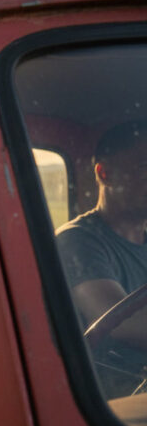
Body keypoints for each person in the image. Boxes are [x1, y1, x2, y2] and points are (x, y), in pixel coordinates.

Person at [56, 119, 147, 397]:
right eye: (145, 169)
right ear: (105, 173)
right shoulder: (78, 240)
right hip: (111, 403)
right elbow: (120, 321)